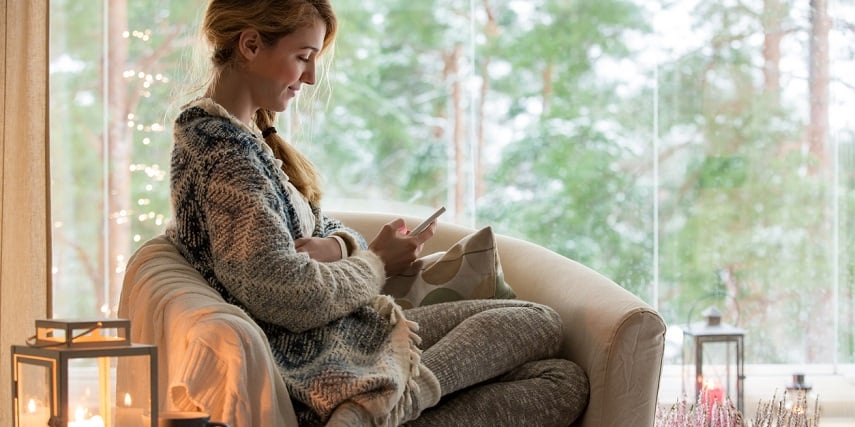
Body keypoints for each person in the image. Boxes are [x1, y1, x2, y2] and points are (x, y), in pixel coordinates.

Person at [166, 0, 589, 425]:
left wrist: (338, 245)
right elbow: (288, 296)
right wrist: (376, 263)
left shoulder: (246, 137)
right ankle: (385, 404)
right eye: (303, 57)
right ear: (252, 45)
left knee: (560, 378)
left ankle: (379, 409)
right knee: (540, 328)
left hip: (340, 335)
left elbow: (321, 227)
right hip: (318, 360)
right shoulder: (222, 151)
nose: (310, 77)